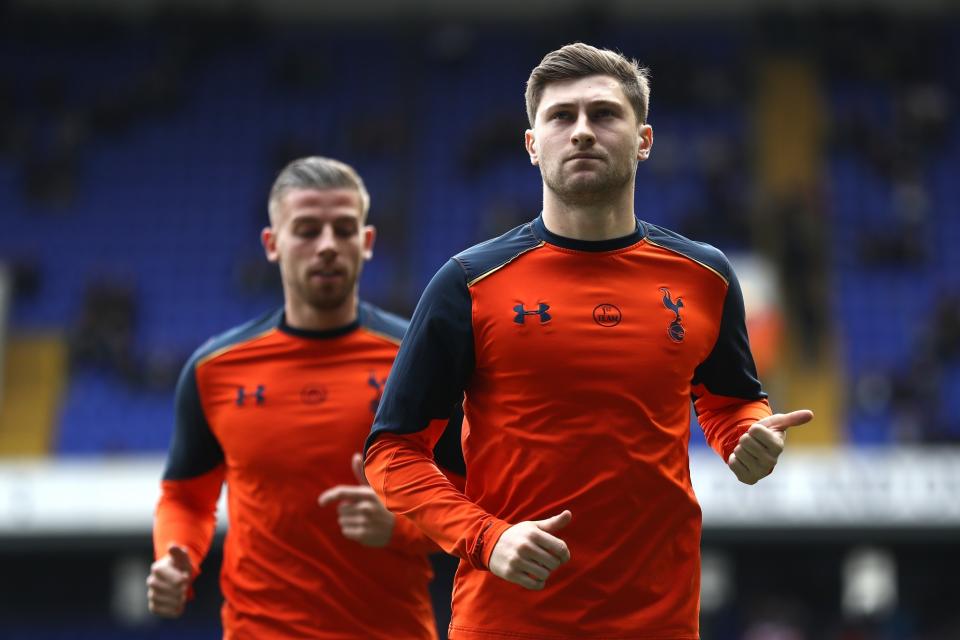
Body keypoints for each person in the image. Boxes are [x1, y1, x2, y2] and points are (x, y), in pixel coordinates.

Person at [364, 43, 813, 639]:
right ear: (532, 144)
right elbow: (391, 453)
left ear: (644, 139)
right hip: (508, 621)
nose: (581, 132)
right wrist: (486, 539)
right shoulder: (468, 283)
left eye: (603, 114)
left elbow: (730, 401)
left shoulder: (703, 275)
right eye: (560, 116)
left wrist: (746, 439)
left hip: (659, 621)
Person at [147, 156, 463, 639]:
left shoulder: (418, 359)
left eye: (343, 228)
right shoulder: (214, 370)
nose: (328, 246)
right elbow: (185, 498)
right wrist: (177, 556)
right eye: (307, 230)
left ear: (368, 241)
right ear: (272, 244)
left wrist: (400, 527)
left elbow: (471, 495)